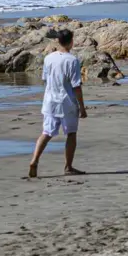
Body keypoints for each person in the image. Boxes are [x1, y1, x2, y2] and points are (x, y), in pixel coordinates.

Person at [28, 28, 86, 178]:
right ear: (71, 42)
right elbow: (76, 86)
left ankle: (34, 160)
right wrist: (82, 107)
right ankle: (68, 166)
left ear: (58, 41)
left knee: (46, 133)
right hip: (67, 102)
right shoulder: (72, 60)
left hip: (50, 101)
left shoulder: (49, 58)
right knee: (71, 133)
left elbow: (45, 79)